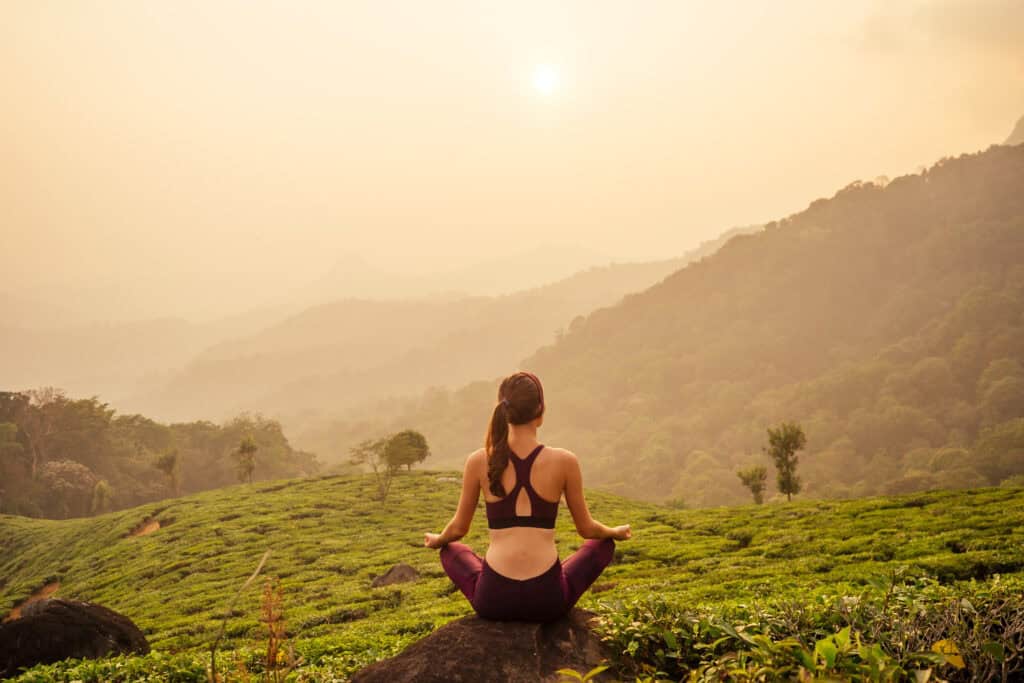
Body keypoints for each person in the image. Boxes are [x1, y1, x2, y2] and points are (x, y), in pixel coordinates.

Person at [424, 370, 632, 622]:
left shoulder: (478, 460)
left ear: (504, 410)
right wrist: (614, 532)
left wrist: (438, 540)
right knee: (602, 546)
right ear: (540, 410)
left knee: (451, 550)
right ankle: (559, 575)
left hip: (494, 599)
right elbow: (587, 529)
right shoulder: (565, 461)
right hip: (547, 600)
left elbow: (457, 529)